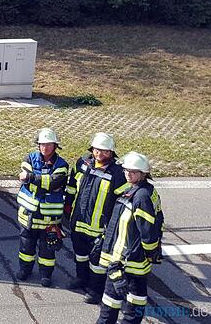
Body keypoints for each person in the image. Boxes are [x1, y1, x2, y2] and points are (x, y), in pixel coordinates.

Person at [95, 152, 164, 324]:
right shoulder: (137, 190)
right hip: (131, 261)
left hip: (128, 262)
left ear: (143, 173)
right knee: (131, 306)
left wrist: (150, 253)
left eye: (132, 172)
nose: (128, 174)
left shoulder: (141, 197)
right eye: (126, 170)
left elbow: (148, 232)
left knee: (114, 308)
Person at [66, 133, 129, 303]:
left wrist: (112, 228)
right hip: (78, 222)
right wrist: (67, 208)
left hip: (100, 229)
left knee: (97, 262)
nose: (99, 154)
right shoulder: (82, 163)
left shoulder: (118, 173)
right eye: (96, 150)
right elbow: (72, 187)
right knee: (80, 255)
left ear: (111, 152)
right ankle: (81, 279)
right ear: (91, 149)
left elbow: (121, 204)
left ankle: (95, 291)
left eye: (104, 151)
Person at [16, 127, 69, 287]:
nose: (45, 147)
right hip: (28, 215)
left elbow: (54, 182)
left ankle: (46, 275)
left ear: (55, 146)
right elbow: (41, 182)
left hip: (49, 219)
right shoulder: (29, 158)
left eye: (48, 144)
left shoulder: (62, 165)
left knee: (47, 250)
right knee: (26, 247)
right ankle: (25, 270)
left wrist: (33, 178)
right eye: (42, 144)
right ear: (38, 145)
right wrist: (45, 182)